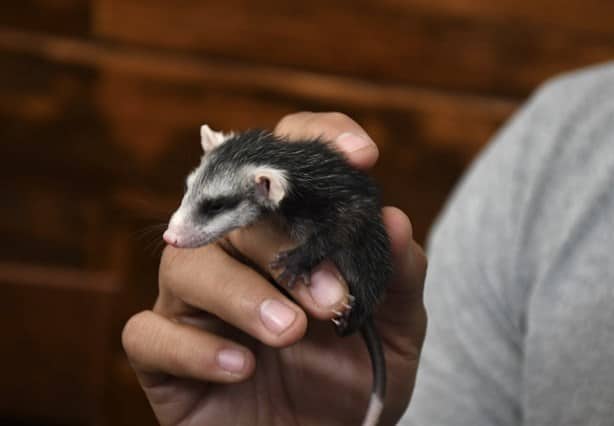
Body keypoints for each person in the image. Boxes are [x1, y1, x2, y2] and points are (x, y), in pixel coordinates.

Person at [122, 62, 614, 425]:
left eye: (210, 210)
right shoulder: (559, 148)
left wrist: (307, 262)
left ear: (267, 187)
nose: (175, 232)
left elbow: (342, 228)